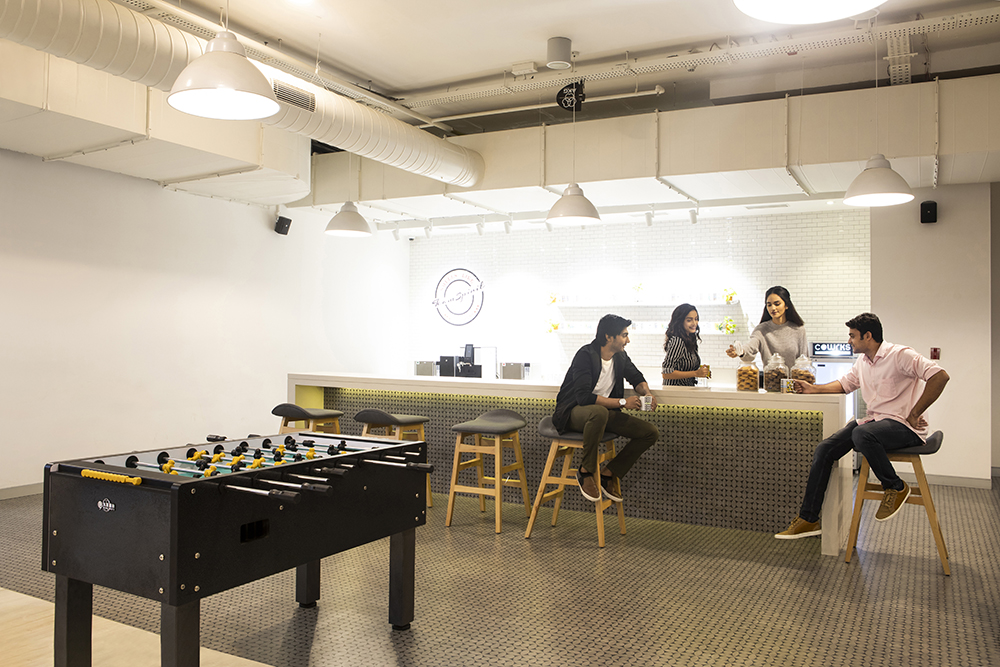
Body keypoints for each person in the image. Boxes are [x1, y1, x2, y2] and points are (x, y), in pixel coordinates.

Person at [776, 312, 949, 539]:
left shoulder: (901, 355)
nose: (849, 341)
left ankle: (895, 487)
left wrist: (915, 413)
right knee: (825, 448)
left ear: (867, 336)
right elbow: (845, 384)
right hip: (875, 423)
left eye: (852, 336)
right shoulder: (863, 362)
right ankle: (809, 519)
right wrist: (813, 388)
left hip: (905, 426)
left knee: (862, 434)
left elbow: (940, 376)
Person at [552, 314, 660, 502]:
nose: (628, 340)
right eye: (624, 335)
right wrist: (623, 402)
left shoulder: (620, 356)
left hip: (602, 415)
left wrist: (647, 393)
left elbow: (636, 377)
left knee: (650, 432)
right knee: (599, 412)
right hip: (573, 412)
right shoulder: (585, 355)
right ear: (609, 337)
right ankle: (585, 471)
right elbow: (584, 397)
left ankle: (608, 474)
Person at [726, 285, 808, 367]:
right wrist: (740, 351)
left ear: (786, 305)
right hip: (770, 375)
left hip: (794, 376)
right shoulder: (761, 330)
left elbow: (804, 359)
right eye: (769, 305)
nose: (773, 308)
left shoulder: (798, 329)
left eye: (777, 304)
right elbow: (750, 347)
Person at [661, 304, 709, 387]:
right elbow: (666, 373)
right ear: (680, 322)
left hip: (685, 389)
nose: (694, 323)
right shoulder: (677, 341)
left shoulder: (689, 339)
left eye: (696, 319)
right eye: (689, 320)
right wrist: (696, 373)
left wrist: (701, 372)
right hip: (675, 391)